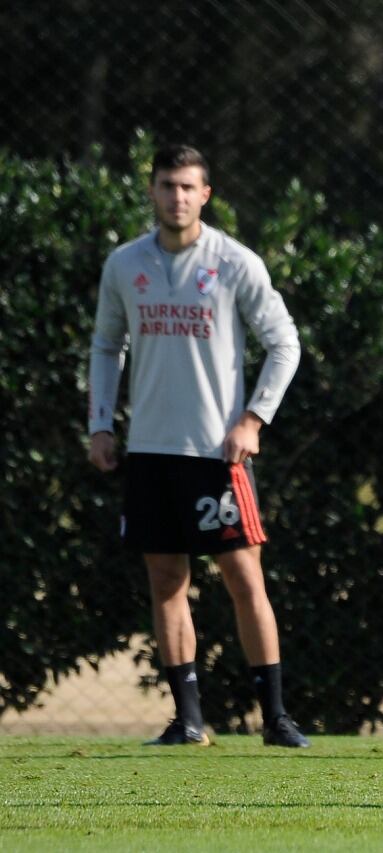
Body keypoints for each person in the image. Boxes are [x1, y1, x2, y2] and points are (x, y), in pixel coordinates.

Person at [88, 144, 309, 749]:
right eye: (166, 185)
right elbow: (107, 346)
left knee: (244, 578)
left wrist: (253, 419)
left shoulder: (234, 262)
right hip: (150, 452)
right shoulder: (124, 265)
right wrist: (100, 424)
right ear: (152, 191)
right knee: (165, 580)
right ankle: (188, 720)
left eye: (188, 186)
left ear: (205, 194)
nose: (177, 196)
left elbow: (284, 342)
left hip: (218, 455)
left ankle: (275, 718)